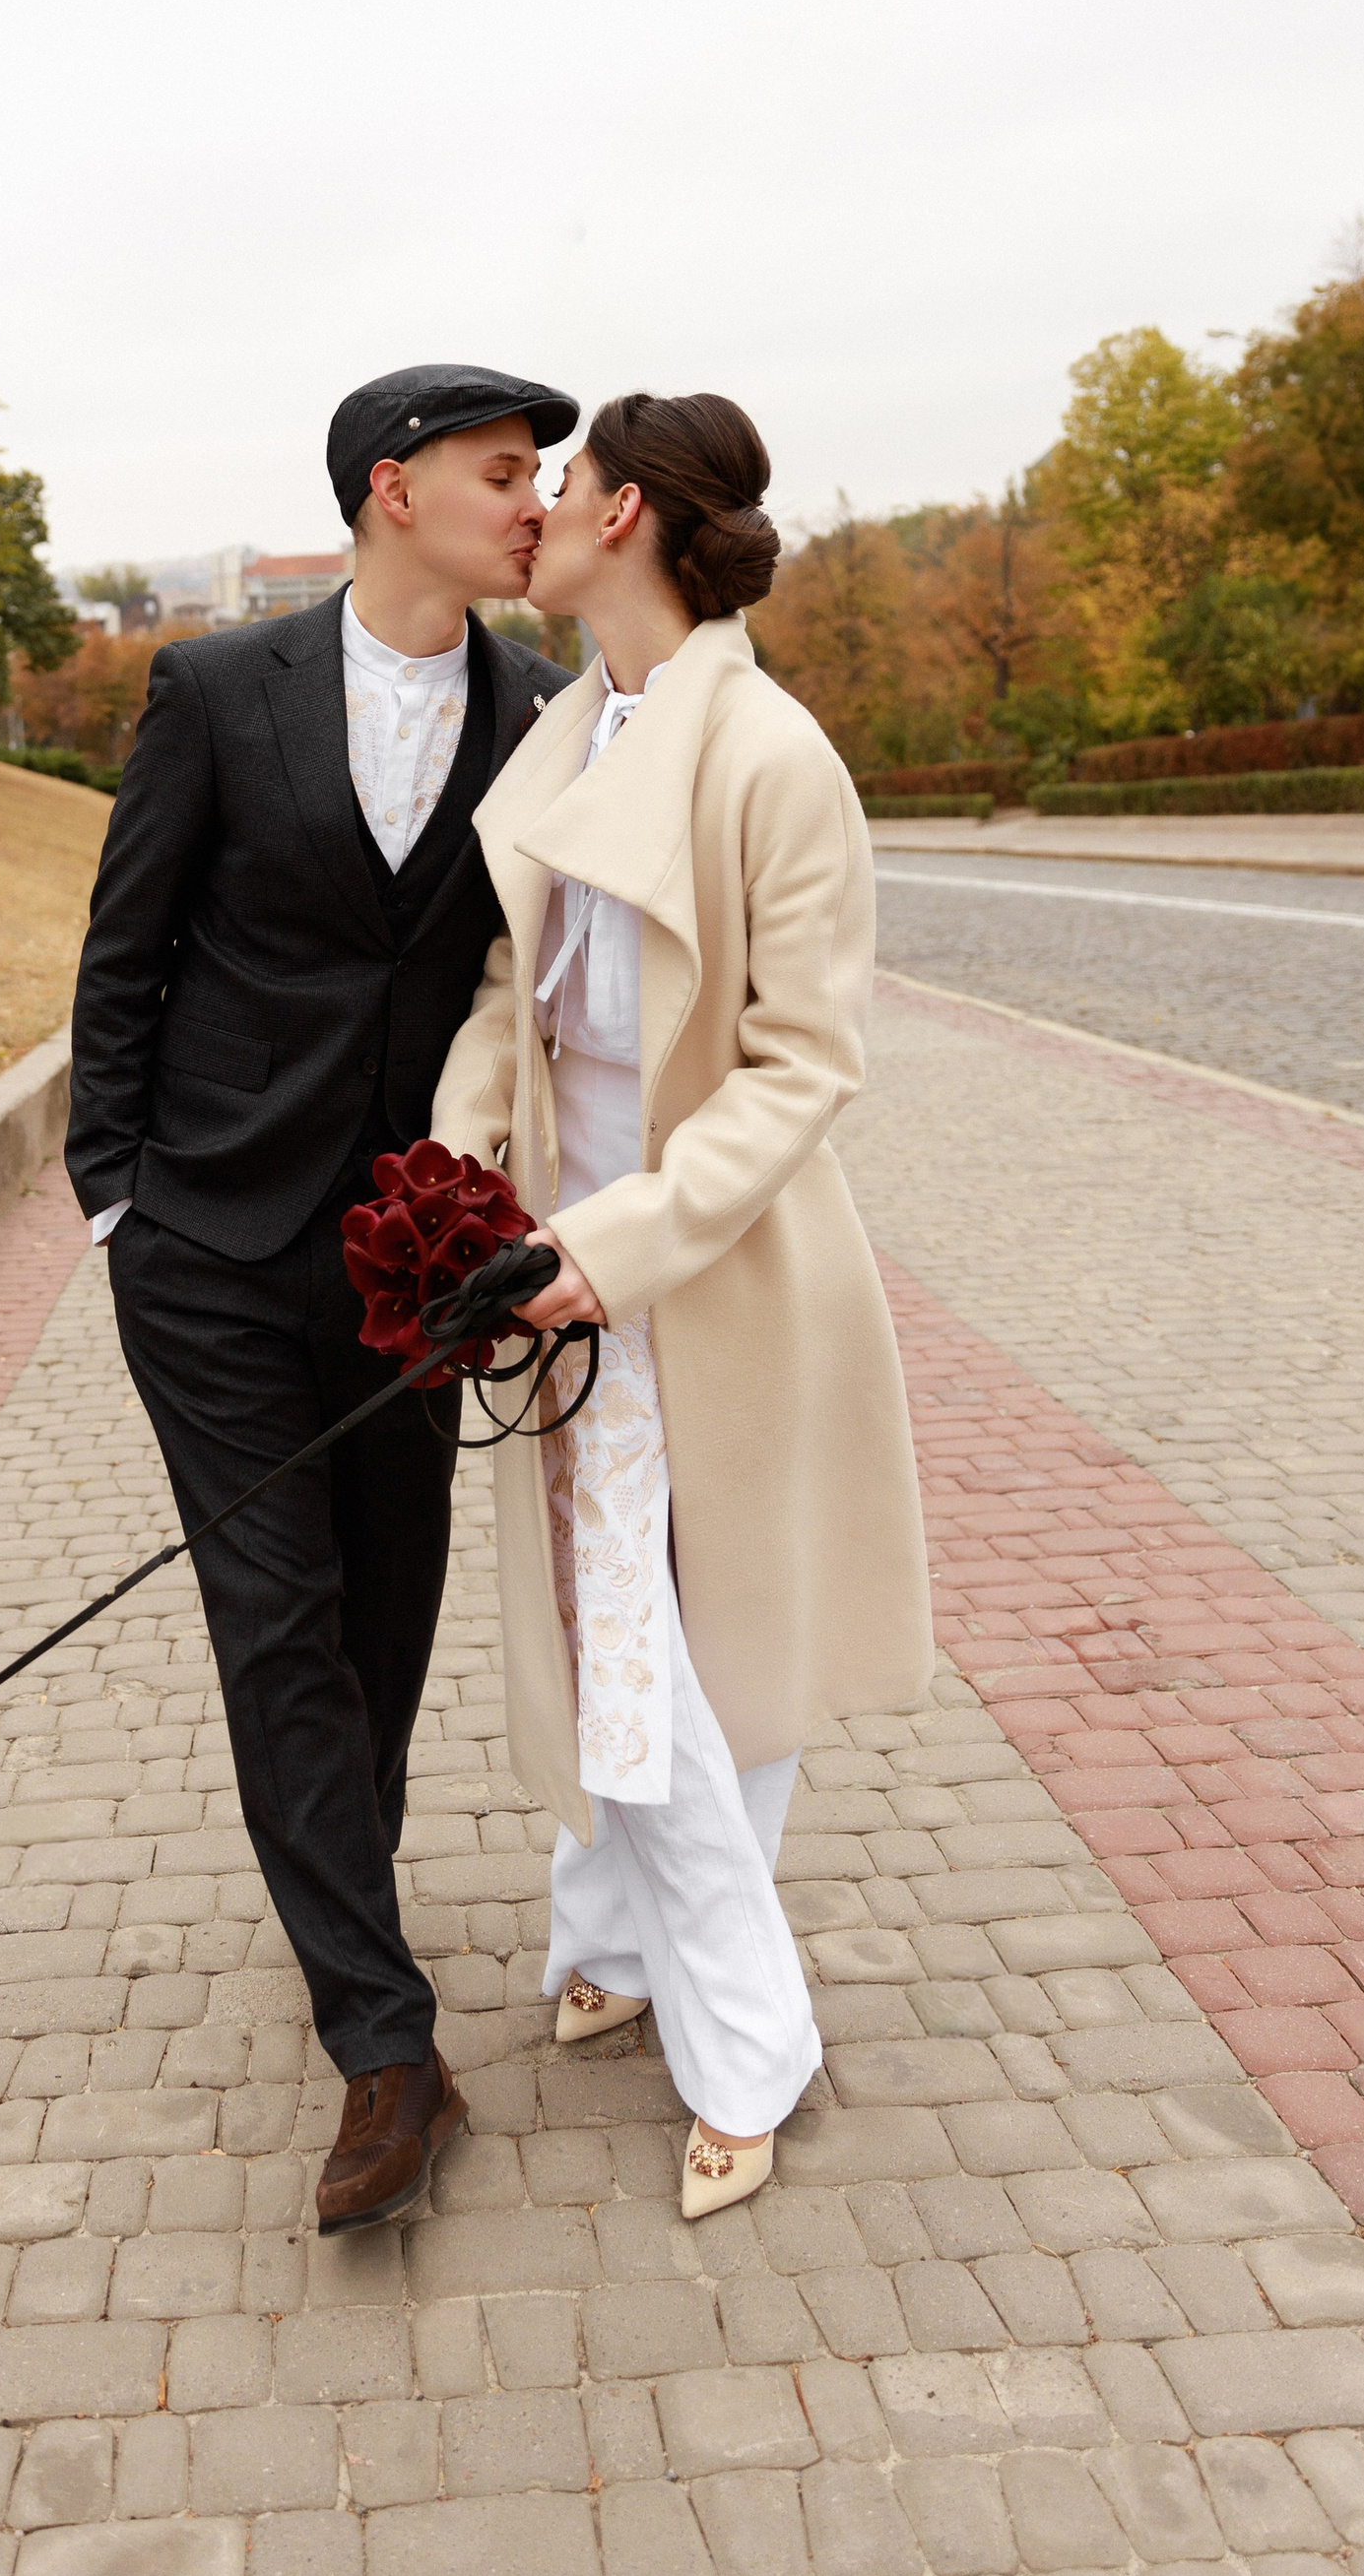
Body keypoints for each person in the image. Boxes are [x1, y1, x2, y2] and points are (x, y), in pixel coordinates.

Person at [68, 365, 578, 2230]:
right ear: (393, 490)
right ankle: (385, 2041)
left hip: (404, 1262)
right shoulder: (217, 691)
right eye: (505, 473)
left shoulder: (541, 712)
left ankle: (336, 1900)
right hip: (202, 1245)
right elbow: (126, 947)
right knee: (276, 1623)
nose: (537, 503)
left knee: (386, 1613)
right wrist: (114, 1199)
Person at [431, 390, 933, 2217]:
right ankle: (620, 1943)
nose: (535, 511)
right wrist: (459, 1165)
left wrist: (614, 1245)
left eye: (558, 485)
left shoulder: (769, 755)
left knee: (676, 1648)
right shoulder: (576, 733)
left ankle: (748, 2038)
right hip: (555, 1261)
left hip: (703, 1273)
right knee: (614, 1622)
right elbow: (517, 988)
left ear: (626, 513)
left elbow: (806, 1068)